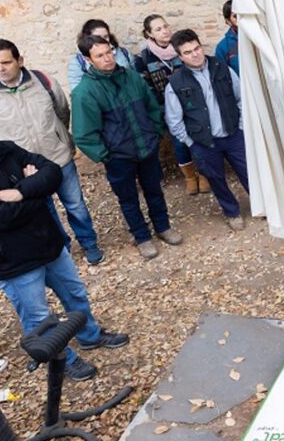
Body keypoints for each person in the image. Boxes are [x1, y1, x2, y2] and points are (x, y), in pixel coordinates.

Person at [0, 133, 128, 382]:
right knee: (38, 318)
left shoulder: (6, 150)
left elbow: (53, 171)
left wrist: (21, 191)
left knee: (75, 293)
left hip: (48, 244)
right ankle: (63, 360)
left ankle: (90, 336)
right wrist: (38, 191)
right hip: (13, 263)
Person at [0, 39, 104, 264]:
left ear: (20, 61)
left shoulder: (43, 82)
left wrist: (57, 139)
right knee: (44, 210)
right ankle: (62, 249)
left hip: (57, 157)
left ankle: (89, 243)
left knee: (76, 205)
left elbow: (62, 111)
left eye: (5, 62)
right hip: (25, 168)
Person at [72, 34, 183, 259]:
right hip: (119, 157)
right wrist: (106, 155)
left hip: (146, 148)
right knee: (128, 198)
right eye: (100, 56)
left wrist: (155, 132)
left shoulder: (131, 77)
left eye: (109, 52)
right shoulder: (85, 92)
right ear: (88, 59)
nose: (107, 59)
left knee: (154, 190)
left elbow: (151, 107)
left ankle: (163, 227)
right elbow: (84, 135)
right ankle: (142, 236)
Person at [166, 29, 249, 230]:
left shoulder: (222, 68)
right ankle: (232, 212)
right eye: (187, 52)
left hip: (232, 134)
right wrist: (190, 142)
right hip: (203, 142)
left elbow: (240, 99)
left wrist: (240, 127)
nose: (195, 54)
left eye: (197, 48)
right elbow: (174, 120)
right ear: (180, 57)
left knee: (249, 172)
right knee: (216, 179)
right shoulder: (175, 83)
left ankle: (264, 206)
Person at [135, 14, 210, 195]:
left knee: (201, 138)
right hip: (167, 108)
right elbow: (146, 89)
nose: (164, 31)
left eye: (165, 26)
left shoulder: (180, 49)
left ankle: (204, 174)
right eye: (158, 29)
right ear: (149, 34)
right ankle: (190, 177)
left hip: (191, 104)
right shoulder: (144, 58)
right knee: (179, 142)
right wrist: (161, 111)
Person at [67, 19, 135, 91]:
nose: (103, 40)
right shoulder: (78, 62)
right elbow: (77, 90)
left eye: (106, 36)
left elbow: (135, 77)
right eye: (97, 37)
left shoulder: (123, 53)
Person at [214, 0, 240, 75]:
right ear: (228, 21)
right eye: (235, 16)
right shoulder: (223, 47)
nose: (241, 19)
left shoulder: (260, 37)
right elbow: (223, 75)